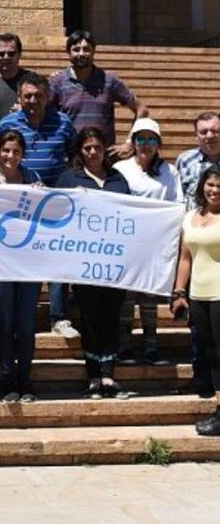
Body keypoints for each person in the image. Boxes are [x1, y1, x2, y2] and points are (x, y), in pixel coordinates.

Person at [0, 73, 79, 339]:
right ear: (19, 98)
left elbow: (74, 151)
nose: (33, 101)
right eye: (27, 96)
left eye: (38, 96)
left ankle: (59, 316)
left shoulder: (63, 122)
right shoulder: (8, 123)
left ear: (48, 97)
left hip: (55, 201)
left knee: (57, 257)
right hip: (17, 205)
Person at [56, 128, 131, 400]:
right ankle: (93, 376)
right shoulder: (68, 179)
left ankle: (109, 374)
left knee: (111, 317)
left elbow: (130, 215)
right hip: (83, 262)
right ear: (80, 151)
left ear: (104, 149)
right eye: (87, 148)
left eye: (97, 147)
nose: (92, 152)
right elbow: (55, 212)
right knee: (88, 319)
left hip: (113, 262)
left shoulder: (117, 179)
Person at [112, 118, 181, 366]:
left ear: (158, 143)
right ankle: (125, 346)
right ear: (133, 141)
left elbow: (177, 205)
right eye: (141, 138)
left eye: (151, 139)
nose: (146, 144)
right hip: (127, 243)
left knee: (149, 296)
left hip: (155, 243)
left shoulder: (169, 172)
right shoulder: (121, 168)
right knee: (127, 295)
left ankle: (151, 346)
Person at [0, 131, 43, 402]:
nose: (10, 156)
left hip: (29, 264)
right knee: (5, 323)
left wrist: (44, 198)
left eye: (16, 152)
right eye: (6, 150)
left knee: (27, 325)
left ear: (23, 154)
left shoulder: (33, 180)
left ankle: (27, 380)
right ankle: (8, 381)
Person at [172, 165, 220, 435]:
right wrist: (179, 291)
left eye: (219, 186)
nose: (214, 190)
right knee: (212, 356)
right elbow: (185, 258)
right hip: (198, 294)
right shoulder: (190, 217)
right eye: (210, 184)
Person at [49, 30, 149, 159]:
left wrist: (129, 143)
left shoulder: (109, 80)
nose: (81, 54)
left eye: (86, 49)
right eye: (76, 49)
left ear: (93, 51)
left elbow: (142, 109)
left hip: (104, 159)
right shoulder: (58, 81)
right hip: (72, 158)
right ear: (68, 53)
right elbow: (41, 111)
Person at [175, 111, 220, 397]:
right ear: (196, 135)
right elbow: (177, 199)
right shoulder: (184, 161)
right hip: (194, 238)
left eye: (214, 130)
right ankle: (202, 379)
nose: (209, 135)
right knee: (199, 331)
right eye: (203, 131)